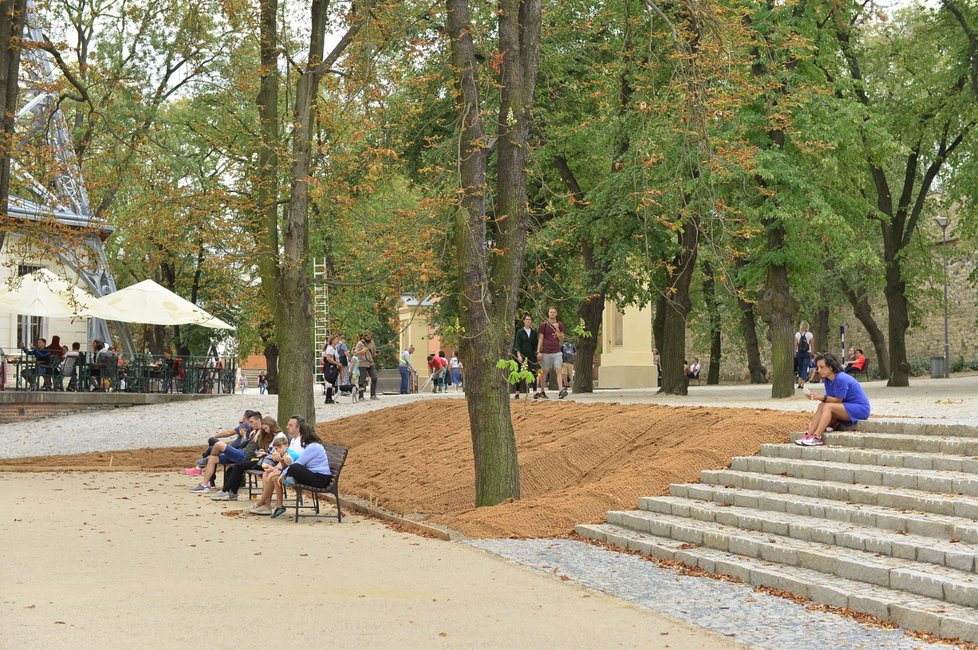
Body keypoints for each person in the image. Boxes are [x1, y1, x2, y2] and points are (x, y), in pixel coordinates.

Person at [250, 421, 332, 517]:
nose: (300, 437)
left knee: (294, 467)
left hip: (321, 479)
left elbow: (299, 463)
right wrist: (283, 473)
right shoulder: (310, 446)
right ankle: (274, 504)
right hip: (314, 475)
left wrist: (283, 474)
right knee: (285, 472)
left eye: (301, 434)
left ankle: (262, 503)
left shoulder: (313, 447)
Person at [796, 352, 871, 447]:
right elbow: (829, 400)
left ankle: (816, 437)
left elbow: (838, 400)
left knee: (827, 406)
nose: (819, 370)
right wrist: (816, 397)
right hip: (845, 406)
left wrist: (821, 397)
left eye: (822, 367)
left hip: (860, 409)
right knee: (822, 405)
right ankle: (808, 435)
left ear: (831, 367)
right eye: (818, 367)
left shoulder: (841, 378)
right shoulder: (827, 379)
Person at [210, 416, 280, 501]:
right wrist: (263, 452)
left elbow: (276, 453)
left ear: (271, 426)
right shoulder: (270, 436)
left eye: (266, 428)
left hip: (268, 463)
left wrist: (264, 453)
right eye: (264, 429)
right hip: (262, 459)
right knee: (237, 466)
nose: (265, 430)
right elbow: (268, 450)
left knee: (239, 466)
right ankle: (231, 492)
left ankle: (227, 491)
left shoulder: (278, 437)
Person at [191, 411, 264, 492]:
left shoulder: (263, 432)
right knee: (213, 458)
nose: (250, 425)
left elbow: (266, 445)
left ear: (259, 421)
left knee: (218, 445)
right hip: (240, 452)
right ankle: (204, 485)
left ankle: (204, 461)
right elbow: (243, 444)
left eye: (251, 422)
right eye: (249, 422)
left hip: (245, 457)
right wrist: (243, 436)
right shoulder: (254, 432)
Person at [536, 307, 568, 400]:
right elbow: (541, 339)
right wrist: (538, 351)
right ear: (548, 314)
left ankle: (560, 391)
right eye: (551, 312)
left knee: (558, 370)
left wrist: (557, 328)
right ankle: (542, 390)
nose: (552, 314)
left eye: (554, 312)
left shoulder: (560, 324)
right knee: (544, 371)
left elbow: (562, 338)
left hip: (557, 351)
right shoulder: (544, 325)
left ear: (556, 314)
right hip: (546, 352)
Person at [512, 313, 538, 398]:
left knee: (533, 373)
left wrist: (538, 353)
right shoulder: (520, 332)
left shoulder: (534, 333)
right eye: (526, 319)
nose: (528, 321)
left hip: (531, 356)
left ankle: (534, 392)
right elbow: (517, 344)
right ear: (524, 321)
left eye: (529, 319)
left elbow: (535, 345)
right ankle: (517, 392)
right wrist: (518, 355)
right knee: (519, 372)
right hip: (522, 355)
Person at [354, 331, 379, 400]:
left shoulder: (372, 343)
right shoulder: (360, 343)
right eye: (368, 337)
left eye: (370, 337)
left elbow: (373, 354)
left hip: (370, 362)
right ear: (364, 337)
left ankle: (373, 394)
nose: (369, 338)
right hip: (362, 363)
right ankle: (361, 396)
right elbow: (355, 354)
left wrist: (377, 353)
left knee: (374, 378)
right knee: (362, 380)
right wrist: (362, 351)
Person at [794, 321, 814, 390]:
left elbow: (795, 344)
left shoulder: (797, 334)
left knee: (800, 367)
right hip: (807, 353)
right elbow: (812, 345)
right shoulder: (810, 334)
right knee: (805, 368)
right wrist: (812, 354)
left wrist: (795, 353)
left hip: (799, 353)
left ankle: (799, 384)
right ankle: (803, 384)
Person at [323, 335, 341, 404]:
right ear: (332, 340)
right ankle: (328, 398)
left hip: (334, 366)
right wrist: (336, 363)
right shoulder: (330, 348)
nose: (337, 340)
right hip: (330, 366)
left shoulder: (334, 348)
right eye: (336, 339)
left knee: (332, 381)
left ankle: (329, 398)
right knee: (330, 380)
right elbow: (328, 358)